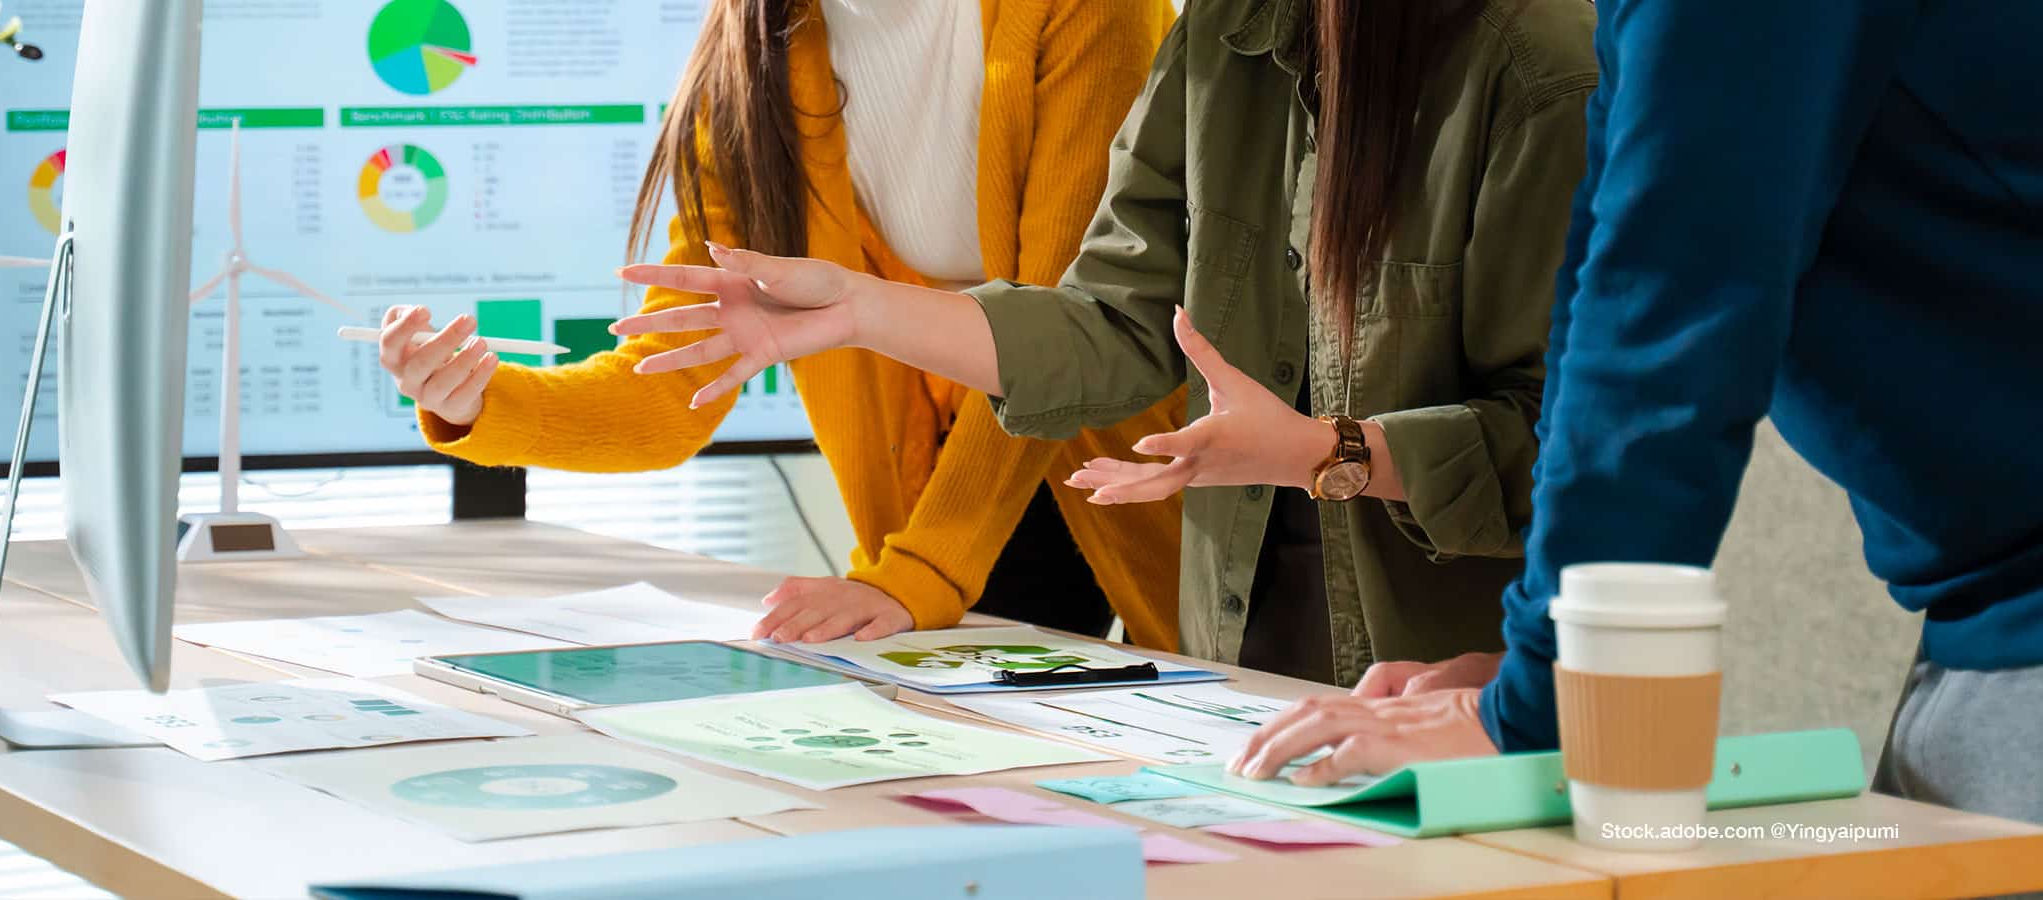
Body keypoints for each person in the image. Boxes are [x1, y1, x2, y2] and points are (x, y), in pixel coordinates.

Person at [1230, 2, 2043, 894]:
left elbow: (1660, 325)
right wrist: (1550, 670)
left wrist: (1541, 705)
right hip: (2017, 620)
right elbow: (1602, 294)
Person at [611, 0, 1598, 686]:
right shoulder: (1222, 34)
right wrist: (862, 310)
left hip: (1451, 676)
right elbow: (1118, 325)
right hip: (1232, 658)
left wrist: (1317, 451)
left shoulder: (1545, 61)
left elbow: (1570, 452)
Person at [378, 0, 1188, 649]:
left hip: (1157, 464)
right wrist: (481, 400)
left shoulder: (1089, 9)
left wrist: (919, 573)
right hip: (948, 506)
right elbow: (673, 391)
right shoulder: (751, 51)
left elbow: (1063, 339)